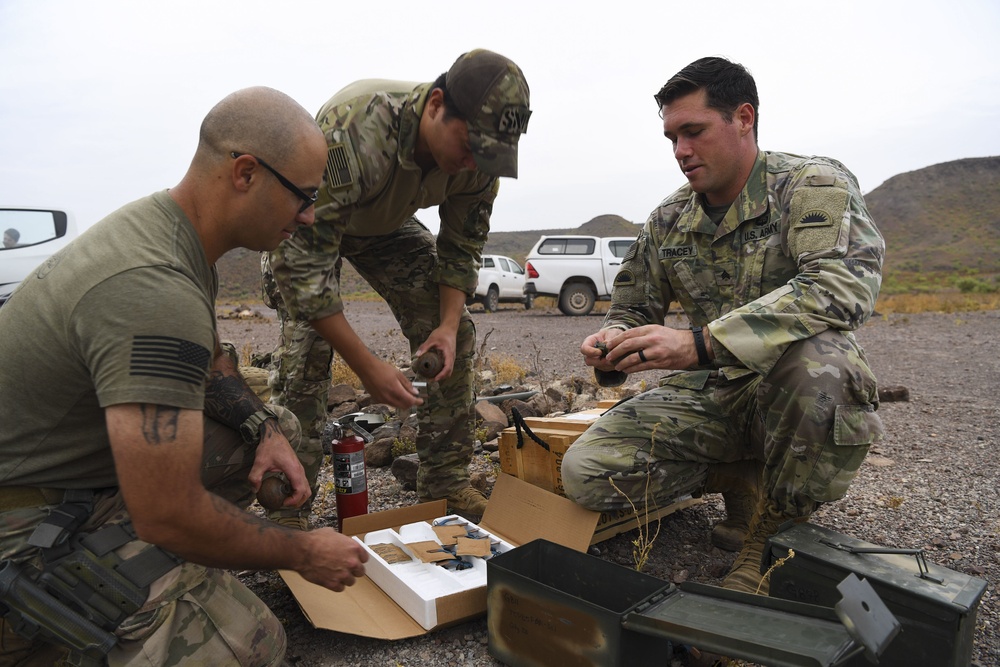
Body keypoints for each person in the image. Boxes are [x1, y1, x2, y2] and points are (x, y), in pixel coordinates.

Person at [0, 86, 368, 666]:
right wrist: (303, 551)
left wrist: (264, 430)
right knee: (255, 646)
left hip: (67, 473)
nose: (310, 216)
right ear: (245, 172)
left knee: (275, 430)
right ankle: (42, 632)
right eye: (304, 196)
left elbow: (213, 363)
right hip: (21, 524)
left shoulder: (176, 236)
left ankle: (168, 573)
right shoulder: (154, 287)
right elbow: (164, 511)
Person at [562, 56, 885, 595]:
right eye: (671, 137)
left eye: (694, 131)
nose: (680, 152)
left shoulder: (810, 186)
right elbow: (635, 305)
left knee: (820, 365)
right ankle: (740, 475)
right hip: (716, 396)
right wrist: (613, 342)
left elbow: (840, 287)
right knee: (587, 472)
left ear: (743, 118)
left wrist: (702, 343)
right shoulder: (669, 218)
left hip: (790, 389)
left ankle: (771, 540)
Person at [263, 49, 531, 521]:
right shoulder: (358, 131)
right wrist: (366, 367)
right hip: (305, 225)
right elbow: (305, 265)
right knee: (306, 353)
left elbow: (461, 245)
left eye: (487, 154)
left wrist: (446, 327)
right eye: (469, 145)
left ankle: (444, 484)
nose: (473, 161)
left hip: (383, 227)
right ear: (435, 105)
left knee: (460, 335)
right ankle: (291, 507)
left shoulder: (480, 159)